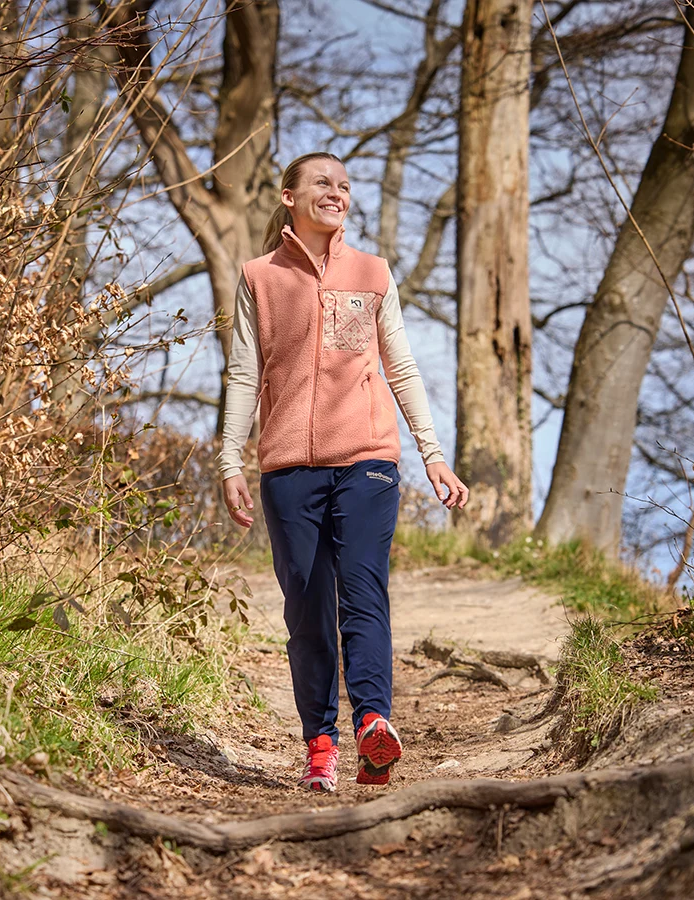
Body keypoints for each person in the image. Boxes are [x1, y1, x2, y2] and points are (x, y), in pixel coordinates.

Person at [220, 151, 470, 792]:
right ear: (288, 198)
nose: (337, 192)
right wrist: (230, 459)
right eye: (322, 183)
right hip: (288, 469)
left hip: (368, 461)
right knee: (306, 607)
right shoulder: (259, 278)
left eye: (345, 185)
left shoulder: (372, 272)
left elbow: (402, 368)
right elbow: (245, 373)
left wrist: (432, 454)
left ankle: (373, 724)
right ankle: (320, 746)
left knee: (363, 592)